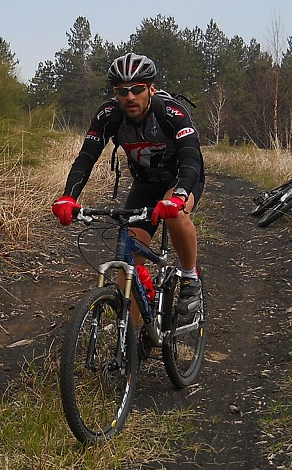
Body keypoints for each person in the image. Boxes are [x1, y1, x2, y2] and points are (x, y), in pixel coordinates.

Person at [51, 51, 205, 319]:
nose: (130, 97)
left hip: (179, 179)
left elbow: (191, 156)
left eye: (136, 89)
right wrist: (68, 197)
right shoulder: (109, 115)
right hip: (144, 184)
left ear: (151, 89)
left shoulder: (171, 112)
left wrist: (179, 195)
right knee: (127, 264)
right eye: (122, 91)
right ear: (115, 93)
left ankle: (190, 278)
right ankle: (133, 340)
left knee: (177, 216)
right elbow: (87, 156)